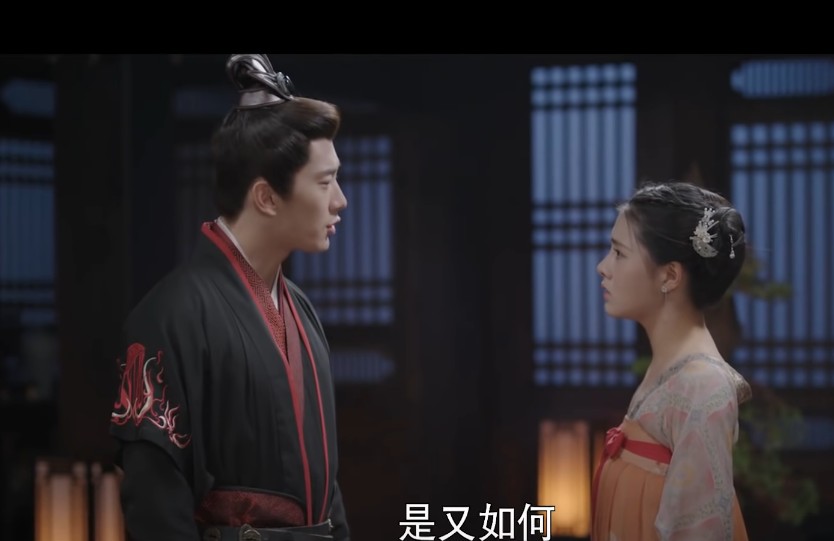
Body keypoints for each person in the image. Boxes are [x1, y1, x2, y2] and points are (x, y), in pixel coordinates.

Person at [109, 54, 350, 541]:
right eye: (325, 182)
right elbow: (156, 503)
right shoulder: (170, 316)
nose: (339, 200)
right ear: (266, 197)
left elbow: (326, 486)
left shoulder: (300, 309)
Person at [592, 181, 751, 541]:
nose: (603, 267)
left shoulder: (703, 385)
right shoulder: (669, 368)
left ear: (670, 275)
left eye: (619, 253)